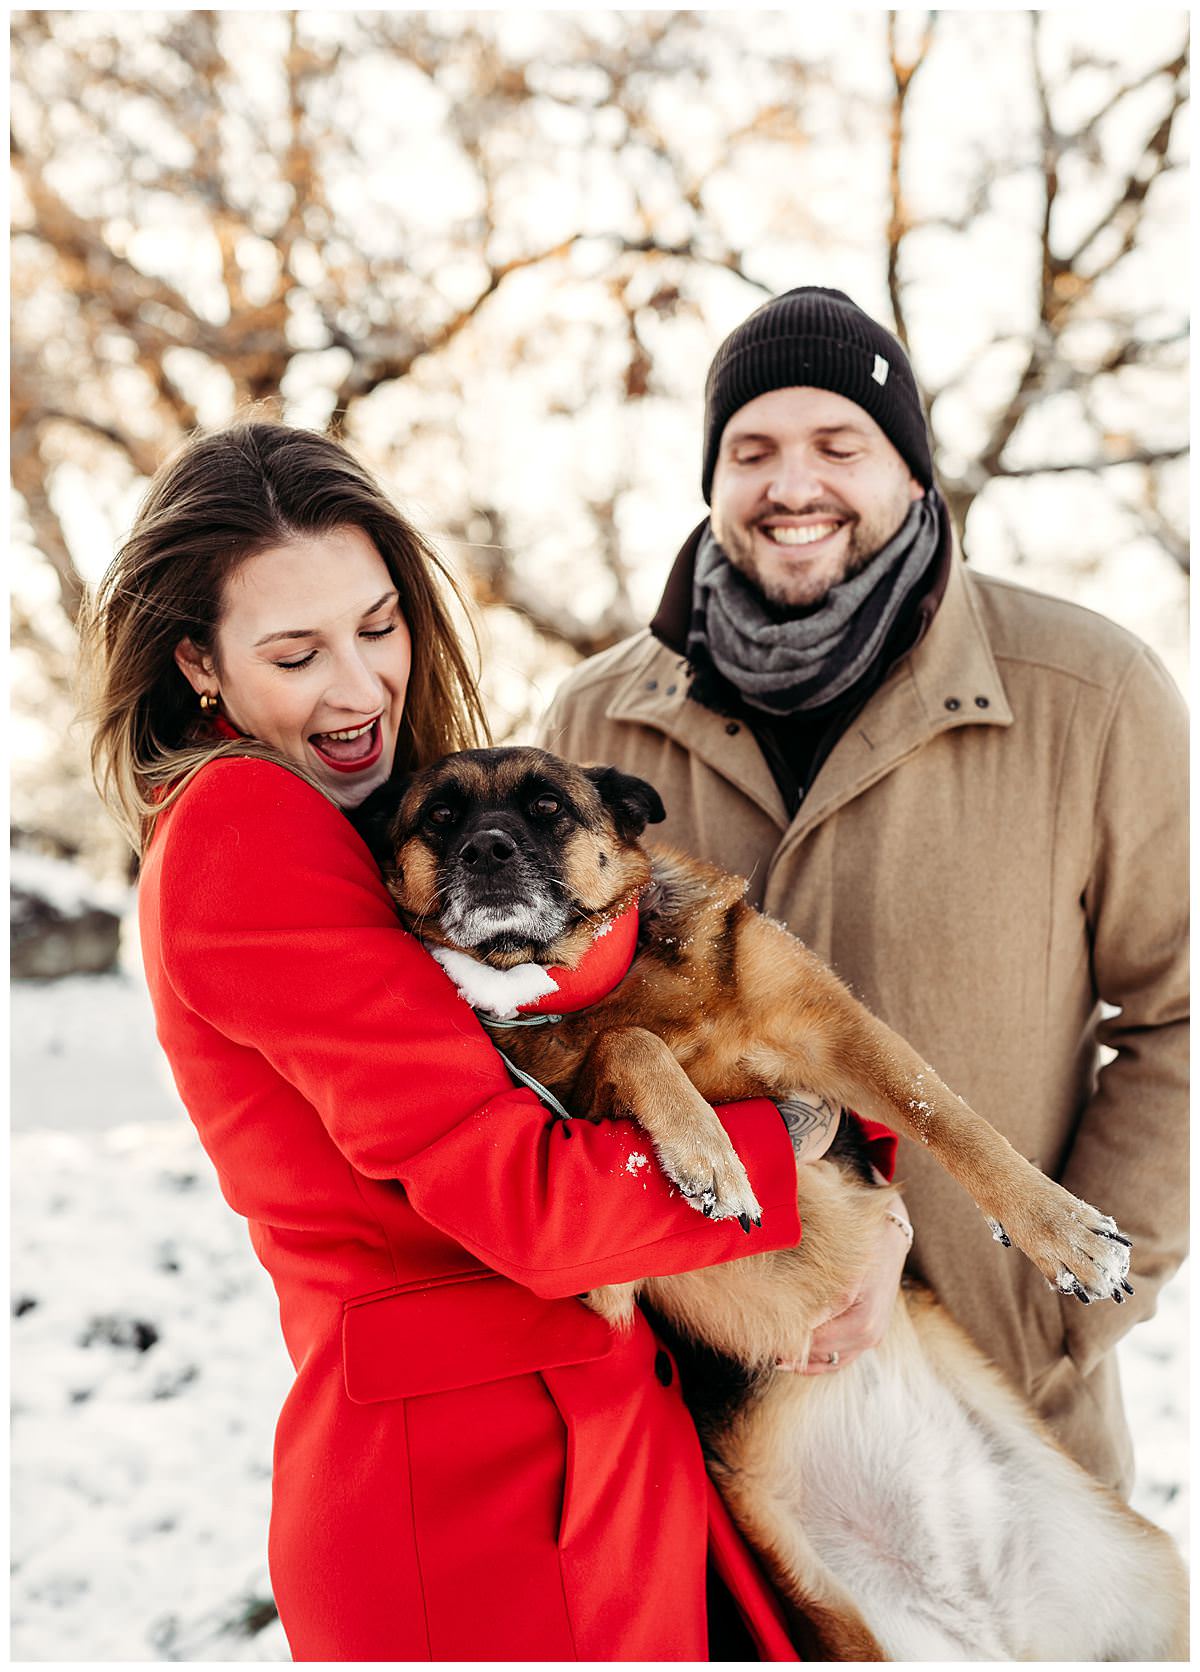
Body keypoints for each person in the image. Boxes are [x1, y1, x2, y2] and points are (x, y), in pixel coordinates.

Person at [82, 418, 901, 1661]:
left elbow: (620, 1015)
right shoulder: (246, 826)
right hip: (475, 1509)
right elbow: (528, 1196)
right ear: (199, 662)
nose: (358, 687)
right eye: (297, 653)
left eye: (378, 626)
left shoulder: (376, 813)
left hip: (582, 1452)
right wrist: (796, 1143)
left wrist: (866, 1189)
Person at [539, 286, 1189, 1495]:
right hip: (724, 1422)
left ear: (912, 473)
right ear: (712, 479)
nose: (795, 485)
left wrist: (1079, 1309)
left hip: (1014, 1408)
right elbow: (555, 1038)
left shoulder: (1091, 694)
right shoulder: (593, 722)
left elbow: (1175, 1018)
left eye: (841, 445)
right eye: (753, 451)